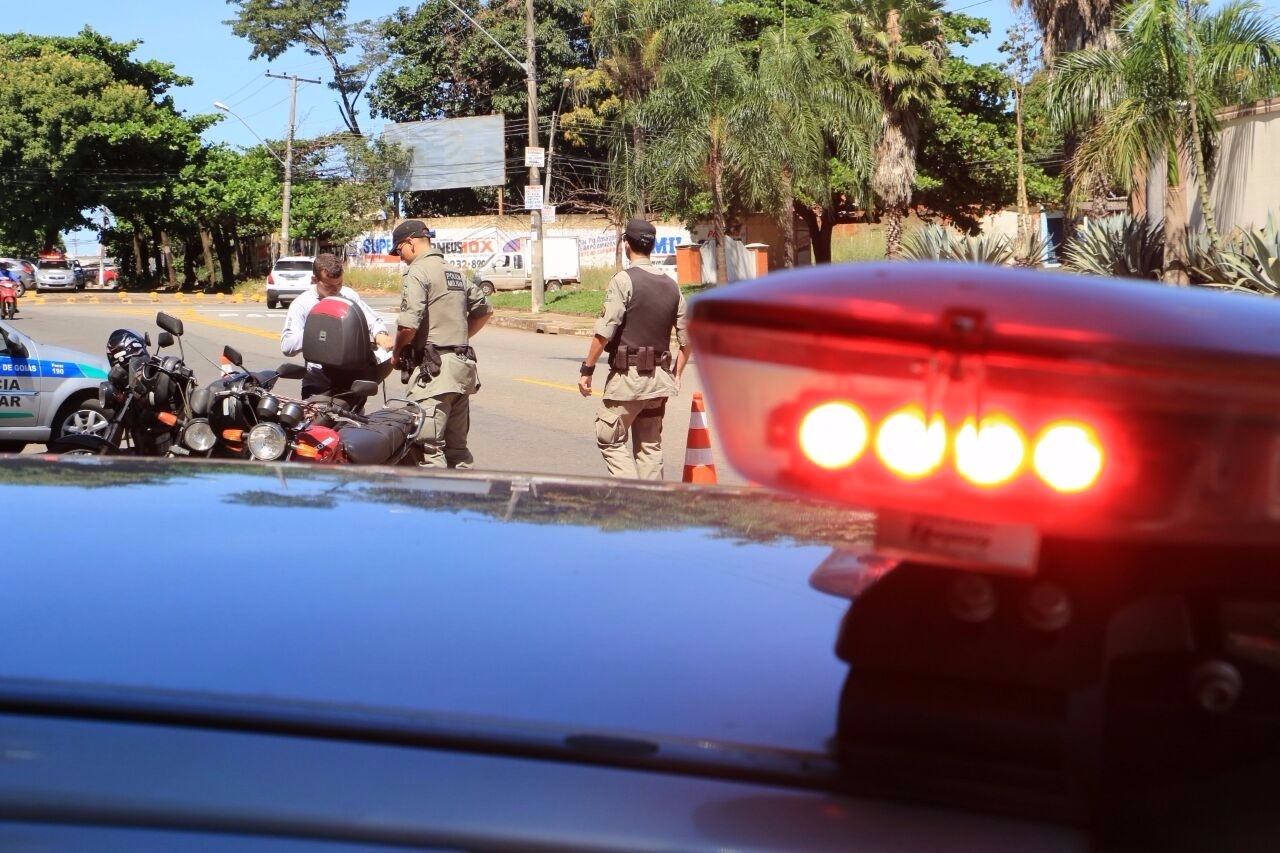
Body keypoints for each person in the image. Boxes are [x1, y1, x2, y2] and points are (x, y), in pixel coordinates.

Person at [577, 217, 691, 480]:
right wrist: (677, 373)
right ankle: (651, 510)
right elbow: (688, 340)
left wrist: (587, 368)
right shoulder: (672, 286)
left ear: (627, 244)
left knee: (609, 437)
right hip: (658, 382)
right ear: (652, 246)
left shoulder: (623, 281)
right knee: (650, 446)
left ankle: (632, 497)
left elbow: (604, 331)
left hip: (628, 381)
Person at [390, 219, 493, 468]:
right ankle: (462, 503)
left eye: (399, 250)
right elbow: (484, 310)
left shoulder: (418, 271)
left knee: (427, 450)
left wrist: (396, 353)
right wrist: (459, 338)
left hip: (433, 373)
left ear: (410, 243)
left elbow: (408, 325)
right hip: (460, 372)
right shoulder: (453, 271)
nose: (400, 257)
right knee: (458, 451)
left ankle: (432, 506)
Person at [280, 253, 394, 400]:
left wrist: (380, 333)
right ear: (315, 280)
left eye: (339, 284)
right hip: (318, 385)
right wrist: (316, 329)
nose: (336, 290)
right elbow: (287, 346)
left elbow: (372, 319)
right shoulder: (302, 304)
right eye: (329, 285)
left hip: (350, 384)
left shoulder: (348, 295)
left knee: (352, 422)